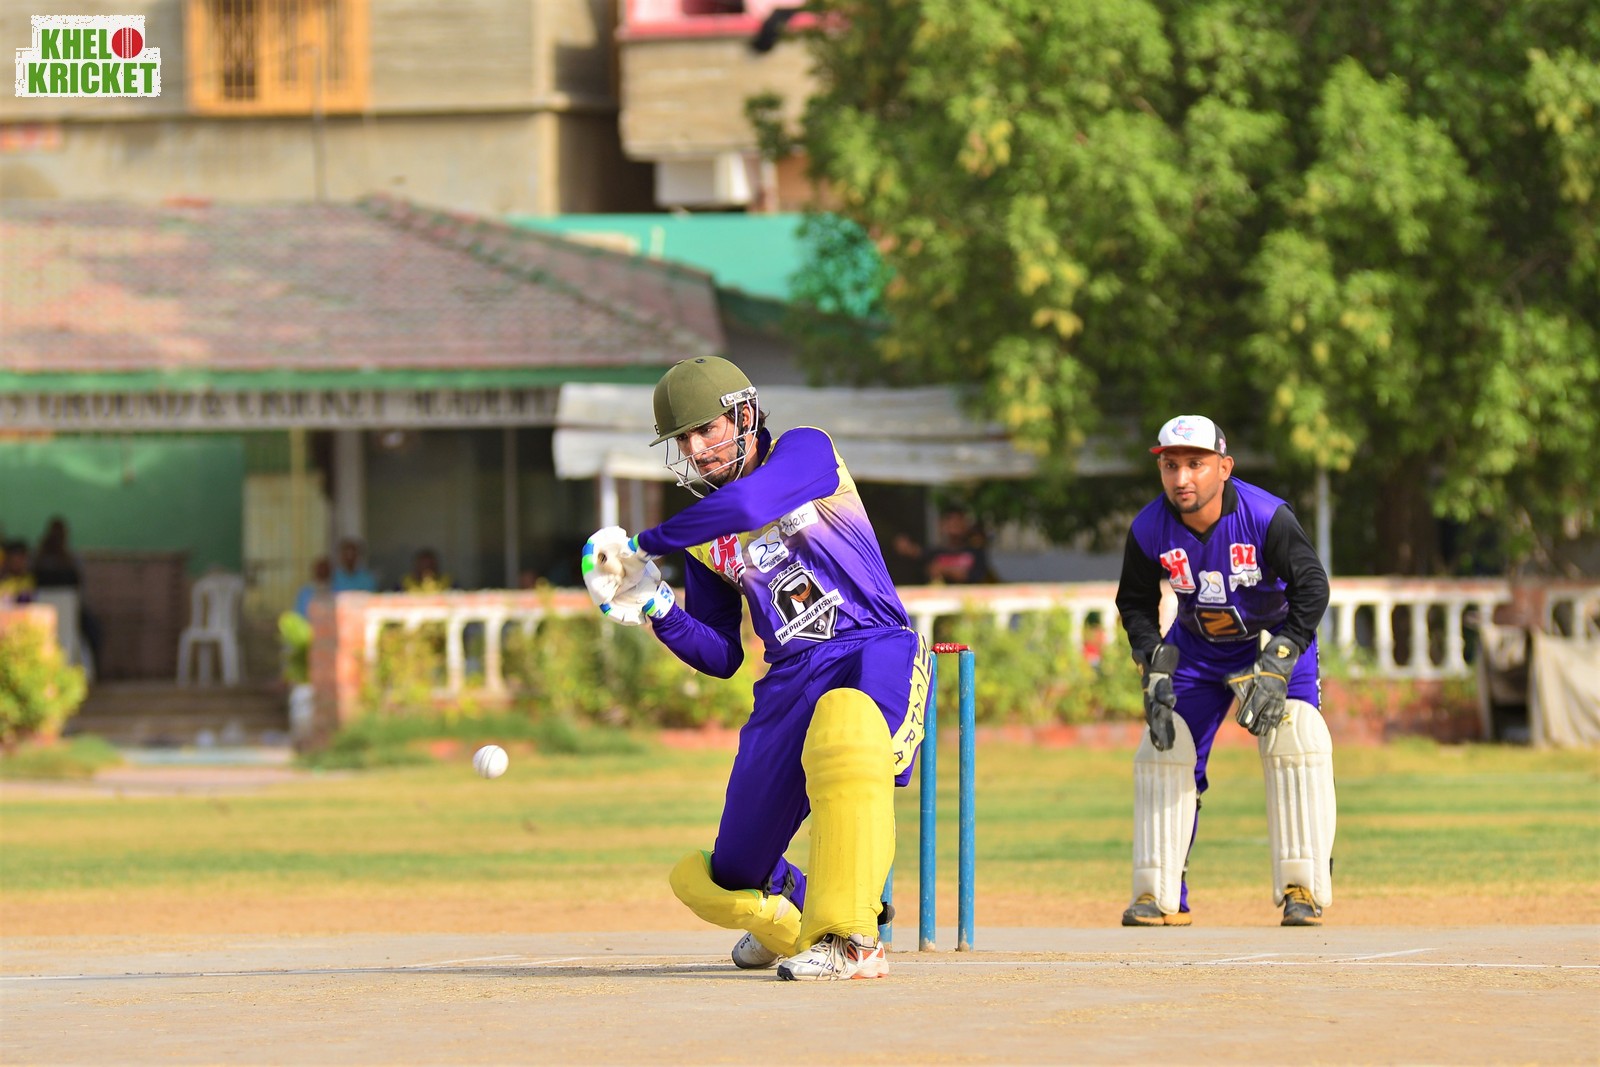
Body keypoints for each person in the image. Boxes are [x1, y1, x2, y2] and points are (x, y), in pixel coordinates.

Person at [581, 355, 931, 981]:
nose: (695, 449)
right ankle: (794, 917)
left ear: (744, 415)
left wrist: (642, 543)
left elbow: (750, 505)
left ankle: (853, 941)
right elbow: (721, 655)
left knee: (848, 738)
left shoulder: (807, 450)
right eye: (683, 440)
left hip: (870, 648)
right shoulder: (701, 536)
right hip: (790, 679)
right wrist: (658, 608)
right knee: (734, 873)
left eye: (705, 429)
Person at [1114, 415, 1334, 928]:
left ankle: (1302, 889)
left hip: (1271, 639)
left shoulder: (1266, 516)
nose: (1182, 478)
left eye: (1196, 464)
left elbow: (1312, 587)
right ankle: (1160, 894)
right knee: (1166, 750)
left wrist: (1282, 658)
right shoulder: (1148, 527)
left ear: (1224, 467)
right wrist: (1152, 660)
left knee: (1297, 745)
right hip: (1196, 647)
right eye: (1171, 466)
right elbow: (1135, 602)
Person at [893, 507, 994, 584]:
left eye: (958, 520)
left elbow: (976, 576)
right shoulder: (935, 552)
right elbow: (917, 553)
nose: (954, 524)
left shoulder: (976, 552)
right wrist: (906, 547)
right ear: (943, 525)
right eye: (950, 520)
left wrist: (945, 570)